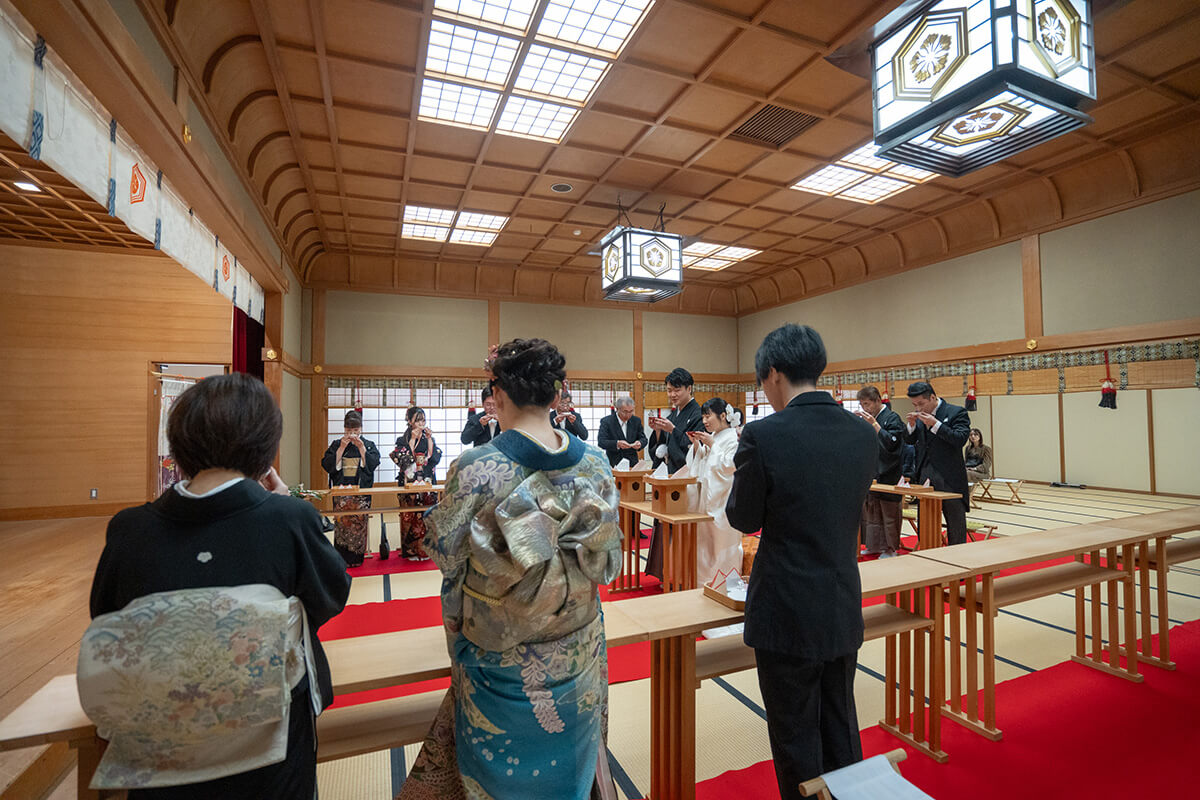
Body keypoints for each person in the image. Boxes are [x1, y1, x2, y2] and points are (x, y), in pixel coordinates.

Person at [85, 373, 350, 798]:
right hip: (274, 745)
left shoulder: (130, 530)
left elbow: (107, 617)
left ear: (180, 442)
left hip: (163, 742)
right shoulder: (288, 519)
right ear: (265, 446)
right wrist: (284, 503)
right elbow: (331, 597)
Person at [398, 338, 621, 800]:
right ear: (557, 395)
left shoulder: (476, 467)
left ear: (497, 394)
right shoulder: (597, 463)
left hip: (500, 658)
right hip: (577, 650)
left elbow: (447, 554)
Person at [726, 324, 876, 798]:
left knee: (794, 733)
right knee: (839, 721)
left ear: (773, 373)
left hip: (786, 606)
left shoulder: (765, 434)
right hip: (841, 596)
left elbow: (743, 516)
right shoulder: (861, 432)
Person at [645, 367, 703, 579]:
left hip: (685, 479)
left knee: (679, 529)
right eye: (669, 390)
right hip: (670, 477)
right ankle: (665, 573)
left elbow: (695, 447)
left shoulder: (697, 413)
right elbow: (662, 448)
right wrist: (659, 432)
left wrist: (672, 431)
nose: (672, 394)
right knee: (664, 523)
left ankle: (678, 575)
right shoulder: (674, 413)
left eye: (676, 390)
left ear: (689, 388)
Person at [904, 381, 971, 545]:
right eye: (914, 404)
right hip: (925, 475)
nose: (918, 408)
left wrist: (935, 424)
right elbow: (910, 440)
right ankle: (929, 557)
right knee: (925, 522)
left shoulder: (956, 412)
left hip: (950, 477)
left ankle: (958, 559)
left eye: (921, 403)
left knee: (955, 522)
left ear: (932, 397)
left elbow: (959, 439)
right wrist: (911, 426)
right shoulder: (920, 416)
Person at [685, 397, 743, 585]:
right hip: (708, 497)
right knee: (706, 541)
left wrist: (712, 446)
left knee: (721, 543)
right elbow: (702, 465)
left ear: (723, 415)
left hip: (724, 499)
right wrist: (697, 446)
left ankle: (723, 582)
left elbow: (730, 466)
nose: (704, 421)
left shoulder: (734, 438)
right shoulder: (716, 437)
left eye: (708, 416)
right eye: (703, 417)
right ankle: (703, 580)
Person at [321, 410, 381, 567]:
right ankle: (341, 558)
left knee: (359, 525)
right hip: (342, 491)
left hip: (360, 492)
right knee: (342, 524)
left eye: (355, 430)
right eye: (349, 430)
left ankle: (357, 558)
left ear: (361, 429)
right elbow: (327, 464)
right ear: (344, 429)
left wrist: (362, 450)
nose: (352, 433)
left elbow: (373, 464)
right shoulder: (336, 444)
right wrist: (341, 448)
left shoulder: (368, 445)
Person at [854, 385, 906, 558]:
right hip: (872, 471)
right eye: (862, 405)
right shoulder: (869, 418)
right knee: (872, 511)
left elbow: (893, 444)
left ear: (877, 400)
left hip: (889, 472)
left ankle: (891, 549)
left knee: (889, 513)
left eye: (867, 404)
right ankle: (874, 545)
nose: (864, 408)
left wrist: (875, 425)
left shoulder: (891, 418)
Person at [390, 406, 442, 560]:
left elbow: (434, 459)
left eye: (423, 420)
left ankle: (426, 550)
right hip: (409, 483)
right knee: (408, 516)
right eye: (417, 420)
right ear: (409, 422)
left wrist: (429, 441)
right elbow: (403, 461)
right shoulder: (403, 440)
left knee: (426, 516)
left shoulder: (429, 439)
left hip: (426, 481)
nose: (421, 424)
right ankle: (410, 550)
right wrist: (412, 440)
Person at [596, 396, 647, 468]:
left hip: (632, 463)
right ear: (617, 409)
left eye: (631, 411)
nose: (628, 415)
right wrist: (617, 443)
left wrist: (640, 443)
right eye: (625, 412)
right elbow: (601, 442)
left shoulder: (636, 421)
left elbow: (644, 439)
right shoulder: (607, 421)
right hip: (614, 463)